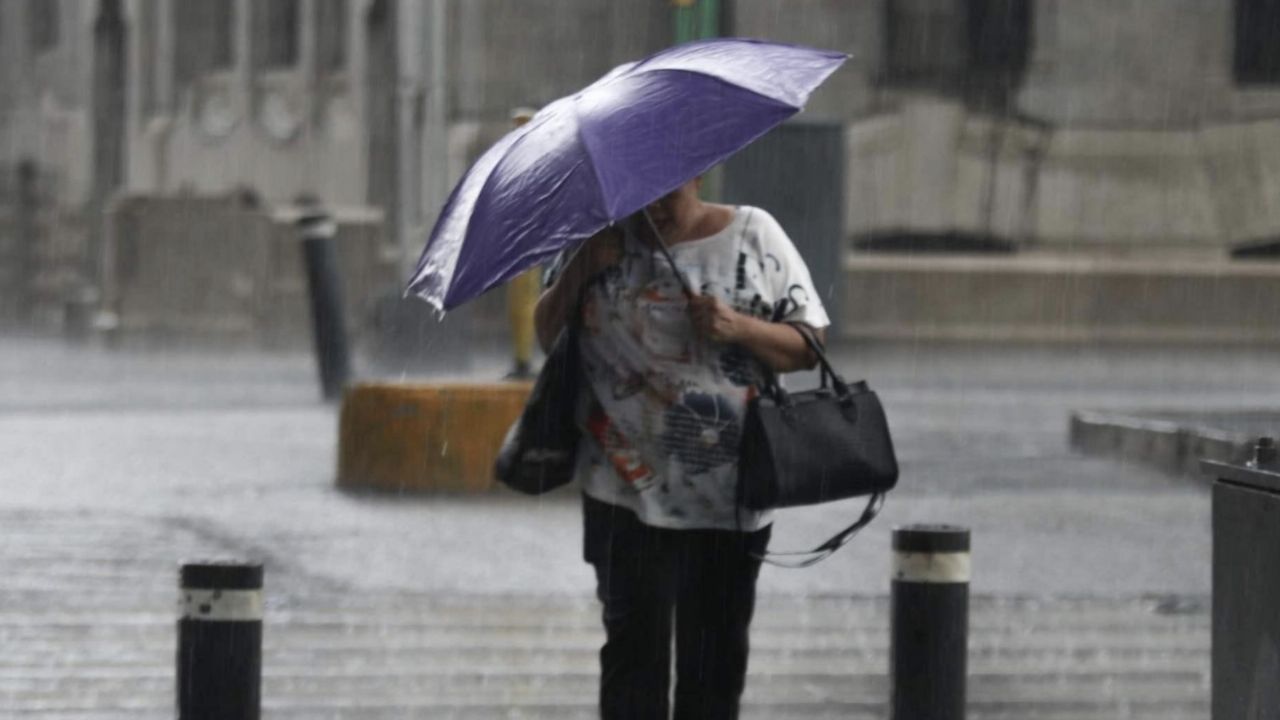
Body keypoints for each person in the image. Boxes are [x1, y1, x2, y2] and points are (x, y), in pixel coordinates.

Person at [534, 177, 829, 719]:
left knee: (713, 674)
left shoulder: (753, 234)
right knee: (632, 668)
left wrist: (737, 327)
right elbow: (546, 335)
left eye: (665, 191)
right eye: (639, 192)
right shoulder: (595, 240)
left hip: (729, 500)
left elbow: (809, 345)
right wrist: (580, 269)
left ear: (696, 172)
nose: (652, 206)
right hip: (621, 495)